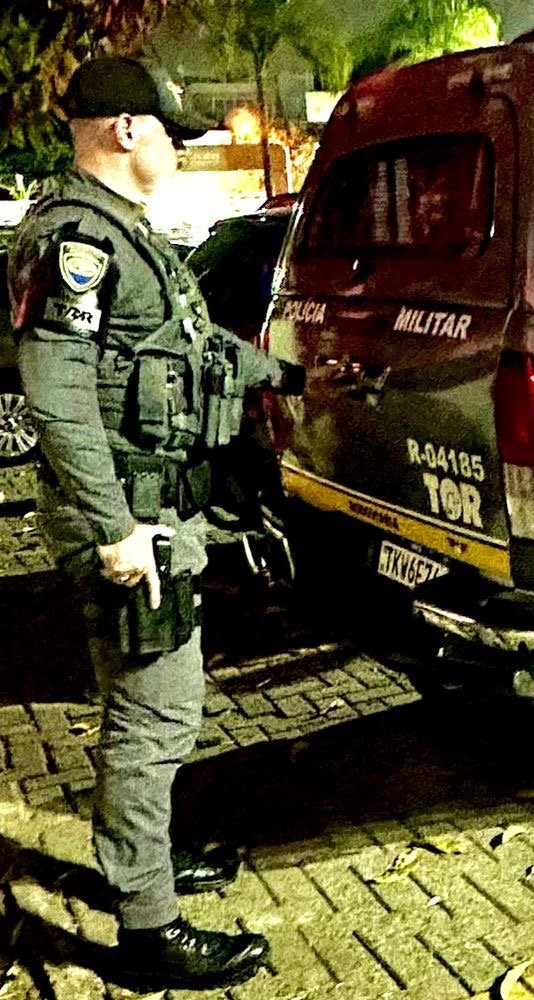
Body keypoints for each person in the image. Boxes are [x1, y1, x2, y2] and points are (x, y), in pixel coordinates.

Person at [6, 56, 304, 989]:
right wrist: (114, 528)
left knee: (147, 705)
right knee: (156, 715)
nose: (179, 150)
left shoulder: (124, 232)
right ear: (126, 129)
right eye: (172, 133)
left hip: (155, 505)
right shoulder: (77, 241)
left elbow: (192, 347)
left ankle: (142, 861)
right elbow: (56, 391)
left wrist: (290, 375)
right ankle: (148, 928)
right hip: (130, 518)